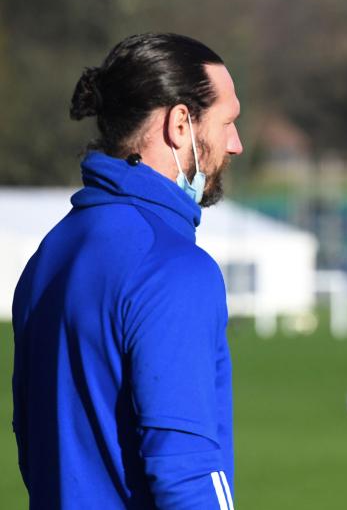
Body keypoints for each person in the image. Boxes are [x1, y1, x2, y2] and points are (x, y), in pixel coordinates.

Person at [12, 33, 243, 509]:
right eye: (228, 122)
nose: (236, 144)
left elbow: (32, 446)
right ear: (181, 123)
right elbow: (187, 472)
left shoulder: (50, 255)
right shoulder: (174, 268)